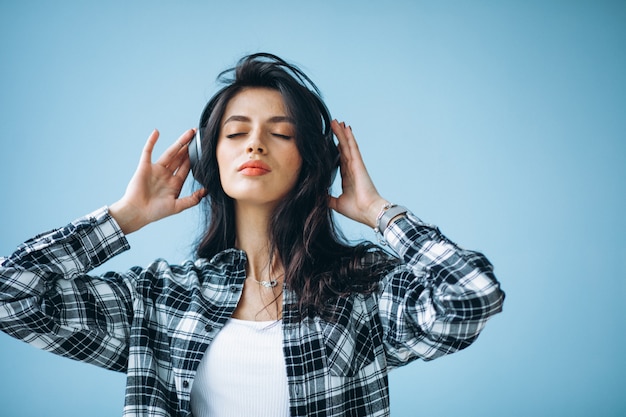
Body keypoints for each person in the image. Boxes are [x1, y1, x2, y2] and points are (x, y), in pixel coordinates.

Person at [0, 53, 504, 417]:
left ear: (309, 156)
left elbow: (472, 296)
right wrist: (124, 217)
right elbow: (12, 295)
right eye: (236, 132)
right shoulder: (160, 297)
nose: (256, 144)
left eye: (281, 133)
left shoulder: (363, 289)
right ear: (210, 159)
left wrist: (378, 212)